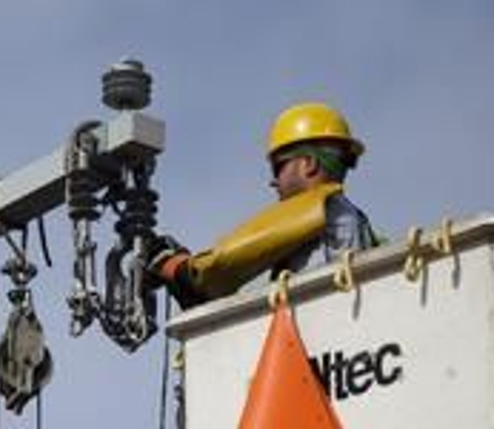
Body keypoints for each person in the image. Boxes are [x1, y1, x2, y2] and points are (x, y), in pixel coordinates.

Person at [149, 101, 380, 307]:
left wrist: (172, 264)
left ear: (309, 163)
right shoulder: (358, 222)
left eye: (278, 167)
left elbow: (224, 263)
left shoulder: (316, 208)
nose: (273, 181)